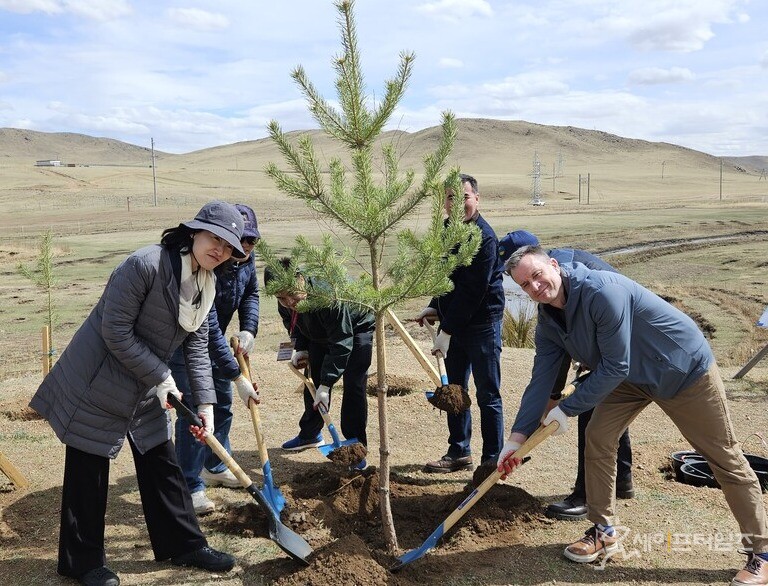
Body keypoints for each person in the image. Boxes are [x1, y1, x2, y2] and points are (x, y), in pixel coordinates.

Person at [498, 245, 768, 585]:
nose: (535, 287)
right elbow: (541, 378)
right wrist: (516, 440)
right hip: (629, 379)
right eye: (525, 284)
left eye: (537, 275)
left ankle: (762, 553)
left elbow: (615, 365)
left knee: (722, 457)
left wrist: (566, 409)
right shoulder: (549, 320)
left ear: (553, 264)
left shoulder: (601, 291)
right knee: (598, 437)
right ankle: (604, 530)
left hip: (681, 370)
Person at [29, 201, 244, 586]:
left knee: (161, 460)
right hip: (97, 379)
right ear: (193, 232)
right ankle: (82, 563)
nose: (220, 250)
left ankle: (184, 544)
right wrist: (161, 375)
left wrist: (206, 404)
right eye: (215, 238)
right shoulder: (144, 265)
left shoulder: (204, 284)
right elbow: (115, 331)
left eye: (229, 247)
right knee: (88, 470)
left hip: (145, 382)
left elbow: (197, 348)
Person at [498, 230, 634, 521]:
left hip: (625, 344)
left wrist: (557, 403)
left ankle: (585, 495)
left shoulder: (574, 276)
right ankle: (622, 480)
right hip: (608, 348)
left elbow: (597, 333)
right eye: (520, 281)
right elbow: (553, 356)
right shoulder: (551, 281)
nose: (529, 285)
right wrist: (523, 430)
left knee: (591, 409)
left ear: (536, 256)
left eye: (520, 269)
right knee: (606, 405)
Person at [170, 203, 261, 515]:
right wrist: (237, 375)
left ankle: (215, 465)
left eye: (251, 241)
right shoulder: (210, 265)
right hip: (186, 345)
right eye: (240, 241)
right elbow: (204, 330)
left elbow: (251, 294)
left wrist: (248, 329)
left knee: (221, 405)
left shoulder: (245, 261)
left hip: (215, 339)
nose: (244, 248)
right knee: (196, 412)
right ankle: (189, 483)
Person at [415, 173, 505, 473]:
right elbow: (446, 279)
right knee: (454, 390)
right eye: (450, 197)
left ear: (476, 199)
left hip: (482, 324)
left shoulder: (484, 237)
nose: (457, 204)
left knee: (487, 394)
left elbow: (472, 291)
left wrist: (447, 330)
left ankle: (491, 461)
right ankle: (459, 451)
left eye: (464, 197)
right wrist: (434, 305)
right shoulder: (445, 231)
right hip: (454, 321)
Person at [264, 258, 375, 467]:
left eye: (291, 293)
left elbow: (341, 341)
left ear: (300, 279)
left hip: (356, 327)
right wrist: (302, 347)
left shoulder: (327, 295)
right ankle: (310, 434)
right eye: (281, 298)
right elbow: (292, 322)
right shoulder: (286, 301)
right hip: (320, 333)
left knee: (354, 383)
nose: (289, 302)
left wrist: (328, 382)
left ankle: (355, 447)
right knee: (313, 382)